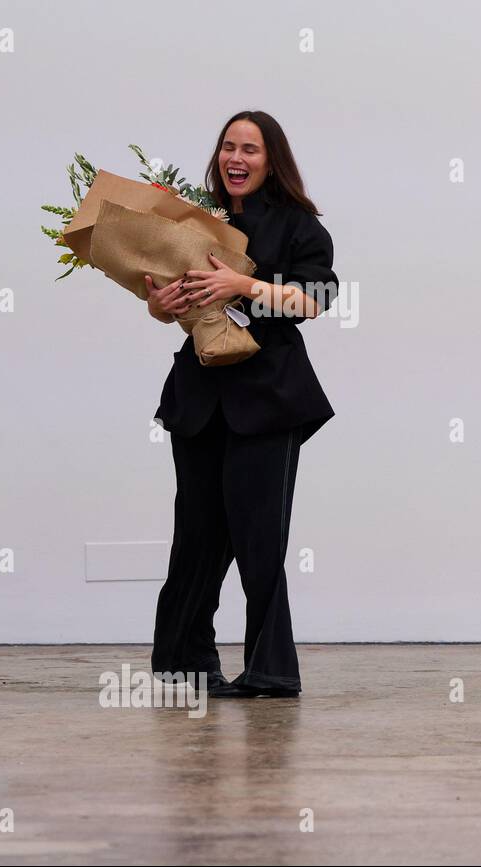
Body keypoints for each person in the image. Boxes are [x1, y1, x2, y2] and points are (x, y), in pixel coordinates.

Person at [147, 110, 338, 698]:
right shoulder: (192, 219)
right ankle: (184, 663)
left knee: (259, 539)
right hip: (201, 397)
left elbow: (316, 300)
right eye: (228, 146)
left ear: (271, 159)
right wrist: (163, 302)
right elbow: (163, 309)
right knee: (196, 535)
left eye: (250, 149)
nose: (236, 158)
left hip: (269, 400)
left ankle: (270, 672)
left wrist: (243, 286)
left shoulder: (301, 227)